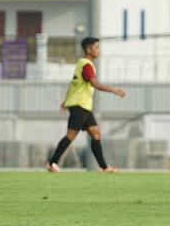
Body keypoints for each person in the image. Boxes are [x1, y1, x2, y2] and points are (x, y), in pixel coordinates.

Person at [45, 37, 126, 173]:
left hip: (83, 106)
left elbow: (74, 84)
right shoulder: (87, 64)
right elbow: (94, 84)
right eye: (96, 47)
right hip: (79, 106)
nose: (98, 50)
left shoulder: (82, 63)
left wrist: (66, 101)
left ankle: (104, 167)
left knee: (95, 133)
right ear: (88, 49)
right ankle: (52, 163)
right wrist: (114, 90)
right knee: (71, 135)